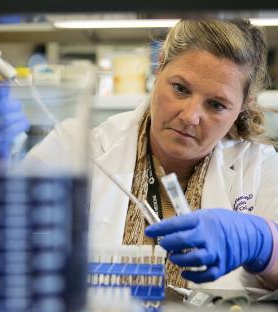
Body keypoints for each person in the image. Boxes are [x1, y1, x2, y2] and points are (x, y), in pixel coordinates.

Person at [26, 19, 278, 290]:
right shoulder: (78, 149)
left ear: (242, 106)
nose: (190, 116)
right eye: (180, 88)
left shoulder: (260, 168)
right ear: (160, 67)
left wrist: (264, 244)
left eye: (216, 105)